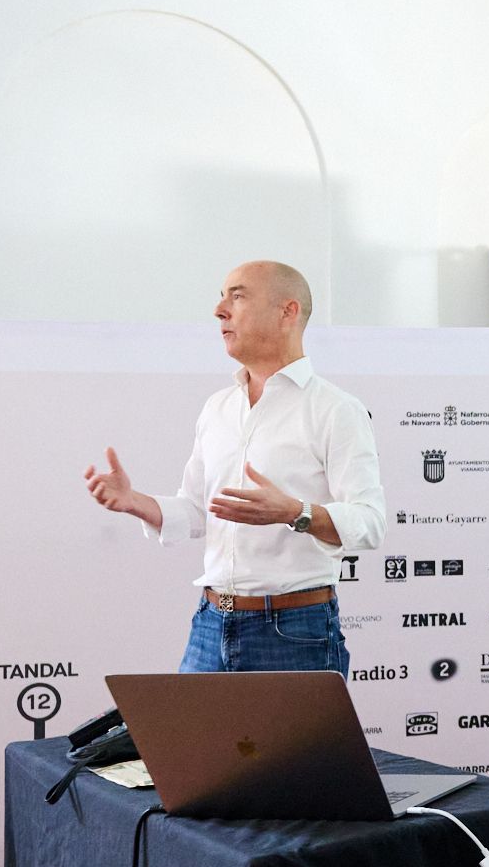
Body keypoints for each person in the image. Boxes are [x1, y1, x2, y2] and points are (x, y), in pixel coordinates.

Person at [83, 261, 384, 673]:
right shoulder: (218, 408)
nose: (219, 310)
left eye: (237, 296)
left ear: (288, 312)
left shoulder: (336, 410)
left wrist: (295, 513)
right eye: (222, 296)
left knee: (290, 743)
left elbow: (369, 523)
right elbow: (196, 510)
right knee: (191, 740)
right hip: (210, 624)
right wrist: (135, 502)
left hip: (293, 631)